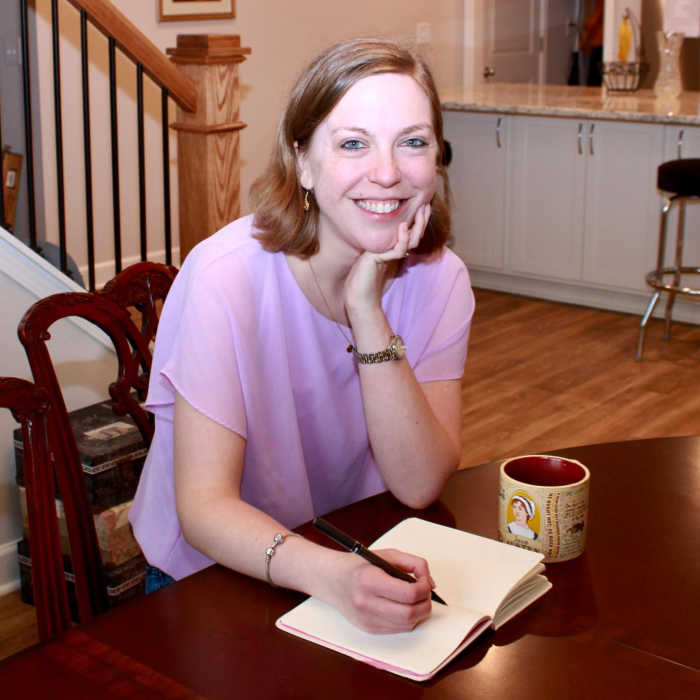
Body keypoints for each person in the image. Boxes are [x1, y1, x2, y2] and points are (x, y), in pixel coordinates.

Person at [129, 38, 474, 634]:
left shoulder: (440, 277)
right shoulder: (224, 277)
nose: (388, 172)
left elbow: (418, 484)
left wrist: (366, 309)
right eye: (353, 144)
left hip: (351, 550)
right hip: (218, 572)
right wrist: (333, 576)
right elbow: (204, 510)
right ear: (303, 162)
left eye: (412, 142)